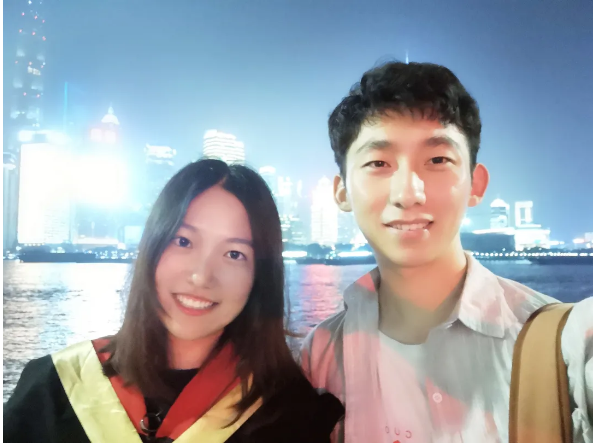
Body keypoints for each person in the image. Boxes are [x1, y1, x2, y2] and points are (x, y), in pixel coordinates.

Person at [300, 61, 593, 442]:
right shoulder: (321, 357)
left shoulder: (562, 344)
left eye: (438, 160)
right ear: (342, 193)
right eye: (378, 163)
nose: (408, 193)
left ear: (476, 184)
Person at [5, 158, 344, 443]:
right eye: (183, 241)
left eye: (234, 254)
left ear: (259, 277)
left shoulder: (290, 417)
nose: (201, 276)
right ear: (152, 245)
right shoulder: (53, 389)